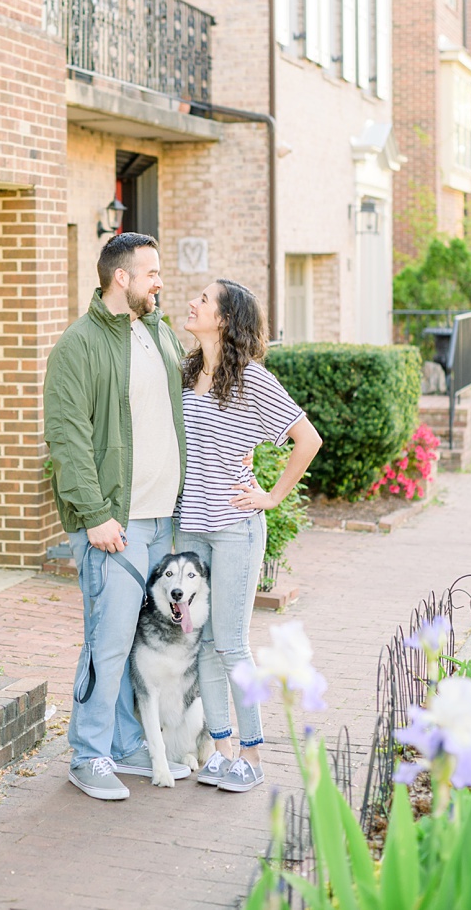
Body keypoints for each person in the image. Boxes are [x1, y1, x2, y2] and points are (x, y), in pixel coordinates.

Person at [43, 231, 188, 801]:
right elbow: (67, 437)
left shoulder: (158, 332)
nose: (159, 281)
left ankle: (127, 746)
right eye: (151, 272)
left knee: (138, 641)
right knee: (106, 640)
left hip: (161, 521)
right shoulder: (77, 346)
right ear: (120, 277)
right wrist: (95, 514)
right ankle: (88, 754)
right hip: (113, 525)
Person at [172, 278, 319, 794]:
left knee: (230, 643)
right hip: (191, 525)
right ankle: (222, 750)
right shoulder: (187, 372)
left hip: (234, 527)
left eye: (204, 300)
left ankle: (253, 758)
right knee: (202, 644)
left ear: (227, 319)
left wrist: (272, 496)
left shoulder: (253, 380)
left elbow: (308, 439)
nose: (192, 303)